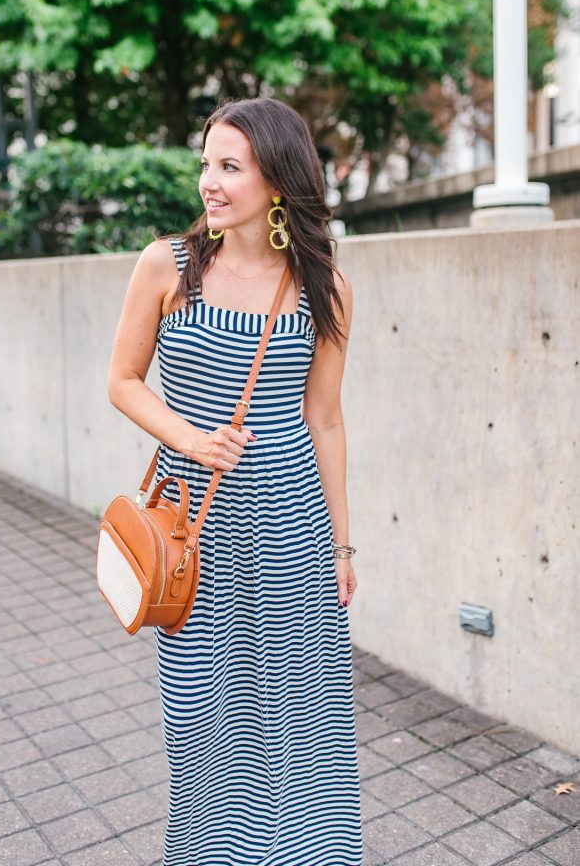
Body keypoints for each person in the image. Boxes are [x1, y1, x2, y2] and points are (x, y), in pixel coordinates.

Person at [107, 96, 363, 865]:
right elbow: (123, 381)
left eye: (229, 166)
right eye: (205, 164)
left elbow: (326, 421)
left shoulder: (325, 289)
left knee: (298, 710)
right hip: (197, 527)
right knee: (202, 714)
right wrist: (191, 438)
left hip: (291, 525)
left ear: (277, 181)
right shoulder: (167, 265)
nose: (208, 182)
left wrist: (344, 548)